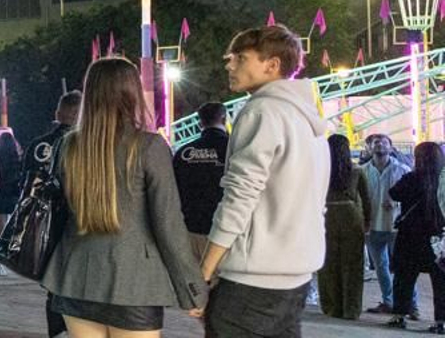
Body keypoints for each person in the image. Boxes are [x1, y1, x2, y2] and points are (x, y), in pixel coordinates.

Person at [43, 57, 207, 336]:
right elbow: (168, 224)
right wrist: (192, 290)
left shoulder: (68, 146)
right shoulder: (149, 146)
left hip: (75, 279)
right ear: (132, 93)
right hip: (134, 283)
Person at [201, 26, 329, 338]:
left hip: (251, 283)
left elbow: (240, 197)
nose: (230, 65)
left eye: (240, 58)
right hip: (296, 278)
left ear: (271, 65)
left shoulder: (262, 111)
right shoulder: (310, 121)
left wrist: (204, 271)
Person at [25, 91, 82, 337]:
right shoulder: (83, 143)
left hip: (42, 223)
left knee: (54, 283)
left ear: (59, 113)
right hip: (76, 222)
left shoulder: (38, 144)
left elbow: (25, 183)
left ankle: (57, 329)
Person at [387, 141, 445, 332]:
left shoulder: (411, 178)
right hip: (438, 238)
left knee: (404, 278)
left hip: (410, 236)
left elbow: (394, 193)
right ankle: (440, 322)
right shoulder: (442, 181)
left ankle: (399, 316)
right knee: (441, 281)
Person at [317, 134, 371, 320]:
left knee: (328, 265)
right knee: (353, 266)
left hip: (326, 218)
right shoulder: (356, 170)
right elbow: (366, 198)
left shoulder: (320, 170)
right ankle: (351, 309)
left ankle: (332, 307)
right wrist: (367, 222)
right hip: (351, 217)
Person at [173, 101, 230, 259]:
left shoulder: (184, 153)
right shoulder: (234, 149)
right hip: (225, 232)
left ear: (200, 123)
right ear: (224, 120)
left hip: (192, 230)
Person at [364, 133, 413, 316]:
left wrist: (397, 203)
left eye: (384, 142)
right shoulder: (363, 171)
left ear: (391, 148)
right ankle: (388, 301)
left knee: (404, 268)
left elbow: (413, 195)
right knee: (381, 268)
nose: (380, 145)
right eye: (376, 143)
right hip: (372, 226)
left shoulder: (403, 170)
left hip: (395, 227)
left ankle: (410, 306)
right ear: (368, 148)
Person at [0, 130, 24, 235]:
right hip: (15, 195)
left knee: (1, 229)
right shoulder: (18, 160)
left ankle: (1, 249)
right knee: (15, 227)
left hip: (1, 195)